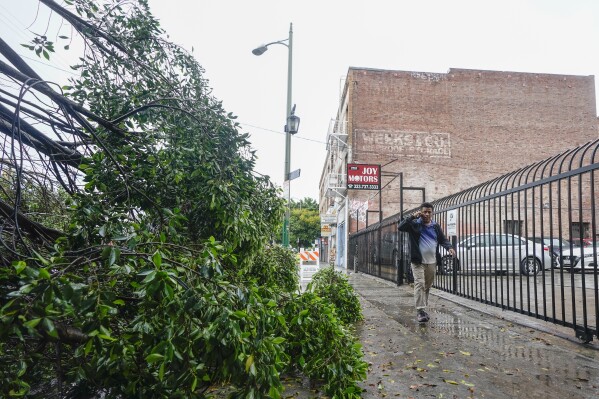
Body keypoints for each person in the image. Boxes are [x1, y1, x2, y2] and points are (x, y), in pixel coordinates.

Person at [398, 202, 455, 323]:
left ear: (432, 213)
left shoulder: (435, 226)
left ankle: (423, 309)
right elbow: (400, 227)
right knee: (420, 284)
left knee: (427, 286)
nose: (426, 214)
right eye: (424, 212)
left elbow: (443, 239)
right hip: (418, 261)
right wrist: (413, 217)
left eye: (429, 212)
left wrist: (449, 247)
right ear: (421, 212)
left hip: (432, 261)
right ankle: (420, 310)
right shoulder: (414, 225)